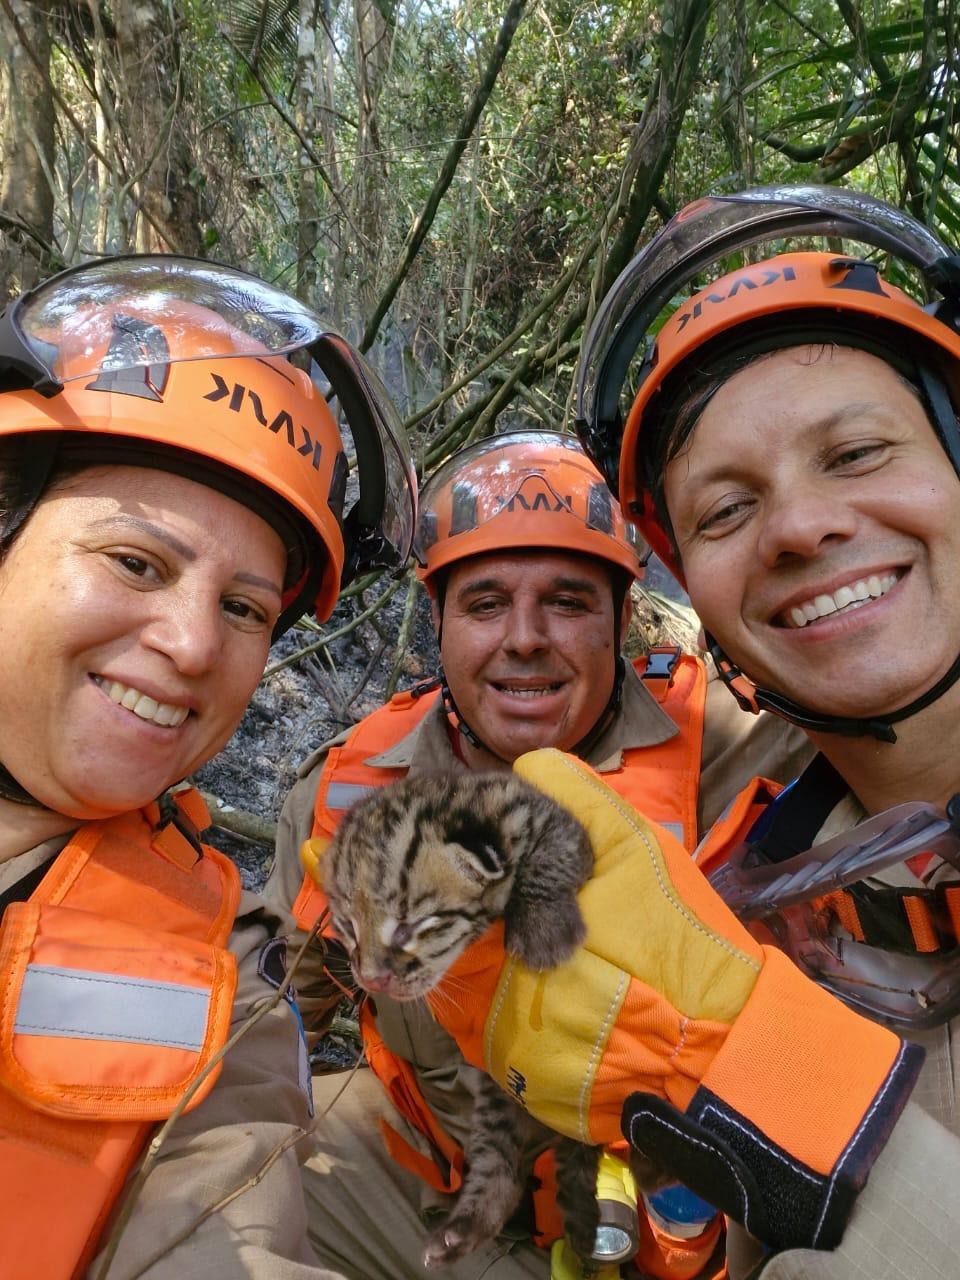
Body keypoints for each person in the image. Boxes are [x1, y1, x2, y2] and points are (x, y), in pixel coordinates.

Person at [430, 184, 960, 1279]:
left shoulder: (709, 764)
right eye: (725, 509)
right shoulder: (774, 870)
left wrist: (773, 1077)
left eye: (857, 451)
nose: (804, 524)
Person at [266, 430, 811, 1279]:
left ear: (623, 620)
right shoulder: (349, 792)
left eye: (567, 601)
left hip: (680, 1234)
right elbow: (274, 1025)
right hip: (442, 1191)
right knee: (197, 1199)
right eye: (484, 604)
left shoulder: (738, 750)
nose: (524, 638)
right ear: (438, 624)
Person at [0, 253, 416, 1280]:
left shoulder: (221, 990)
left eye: (244, 608)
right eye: (136, 561)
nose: (192, 643)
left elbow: (232, 1228)